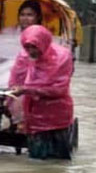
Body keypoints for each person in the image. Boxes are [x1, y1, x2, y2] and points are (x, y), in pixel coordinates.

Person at [9, 24, 74, 160]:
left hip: (58, 117)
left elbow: (59, 89)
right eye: (27, 47)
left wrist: (27, 89)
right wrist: (16, 115)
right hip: (34, 117)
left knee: (59, 161)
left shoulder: (62, 57)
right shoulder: (23, 57)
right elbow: (14, 83)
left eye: (34, 46)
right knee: (37, 160)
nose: (31, 51)